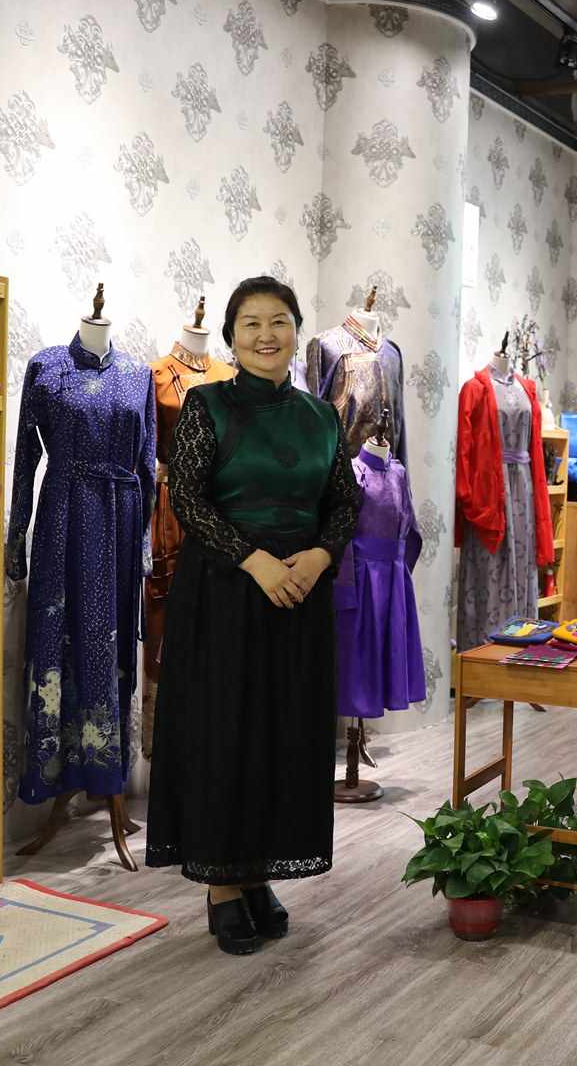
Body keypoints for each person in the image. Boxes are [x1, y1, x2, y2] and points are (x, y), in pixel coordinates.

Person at [145, 276, 361, 954]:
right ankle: (223, 885)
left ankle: (259, 871)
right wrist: (255, 560)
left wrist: (320, 557)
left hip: (300, 595)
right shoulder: (206, 404)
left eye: (279, 322)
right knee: (227, 733)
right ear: (233, 337)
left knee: (283, 734)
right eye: (251, 324)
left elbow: (344, 502)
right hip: (225, 594)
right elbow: (189, 499)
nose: (266, 335)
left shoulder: (322, 416)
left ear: (296, 331)